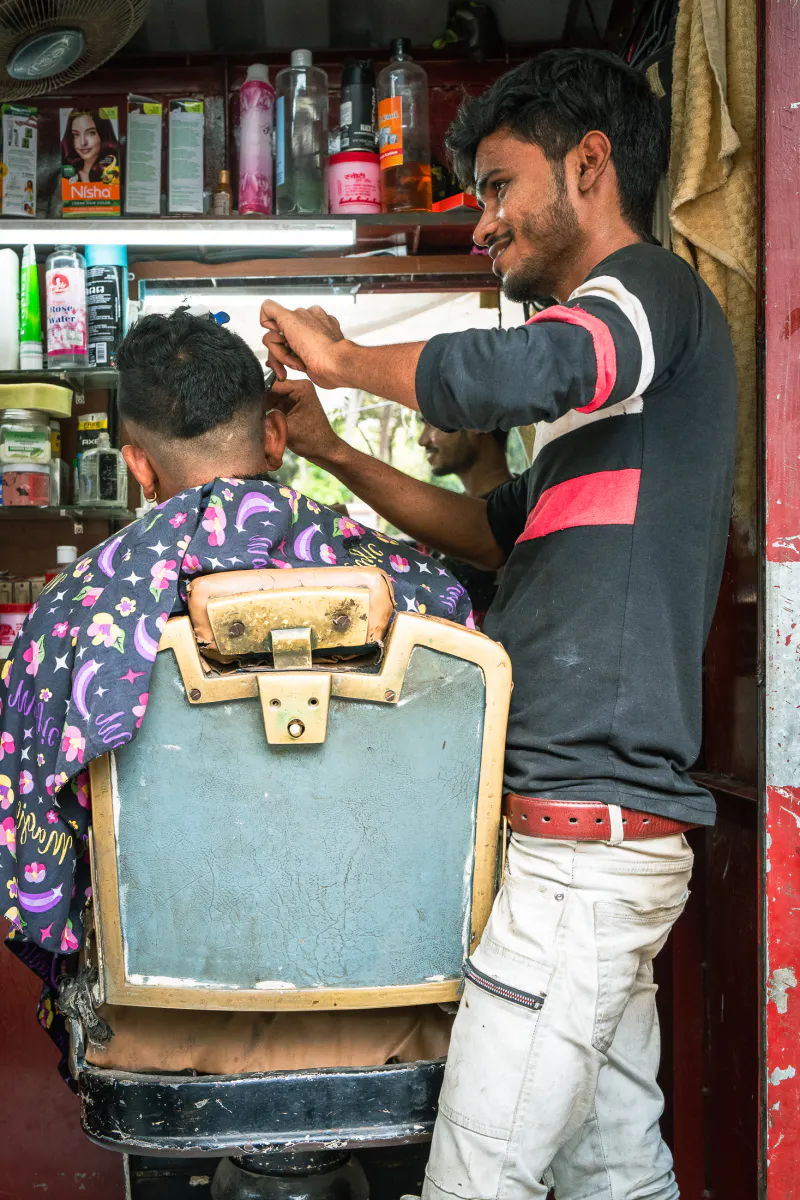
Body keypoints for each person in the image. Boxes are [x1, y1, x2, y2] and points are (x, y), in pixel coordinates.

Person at [259, 48, 737, 1200]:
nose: (483, 223)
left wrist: (350, 359)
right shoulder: (598, 409)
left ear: (587, 166)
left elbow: (529, 365)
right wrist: (328, 450)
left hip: (585, 850)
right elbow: (485, 531)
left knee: (475, 1180)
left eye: (496, 185)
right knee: (615, 1175)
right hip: (586, 841)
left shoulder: (643, 301)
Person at [0, 309, 472, 1080]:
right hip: (400, 997)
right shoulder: (414, 591)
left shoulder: (75, 616)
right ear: (276, 439)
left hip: (162, 1013)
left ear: (138, 466)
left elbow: (40, 847)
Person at [417, 422, 513, 626]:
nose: (423, 440)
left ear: (479, 423)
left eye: (434, 424)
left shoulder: (519, 512)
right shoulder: (449, 512)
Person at [61, 109, 120, 184]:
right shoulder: (66, 175)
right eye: (76, 134)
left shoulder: (114, 172)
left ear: (103, 134)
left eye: (91, 133)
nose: (83, 143)